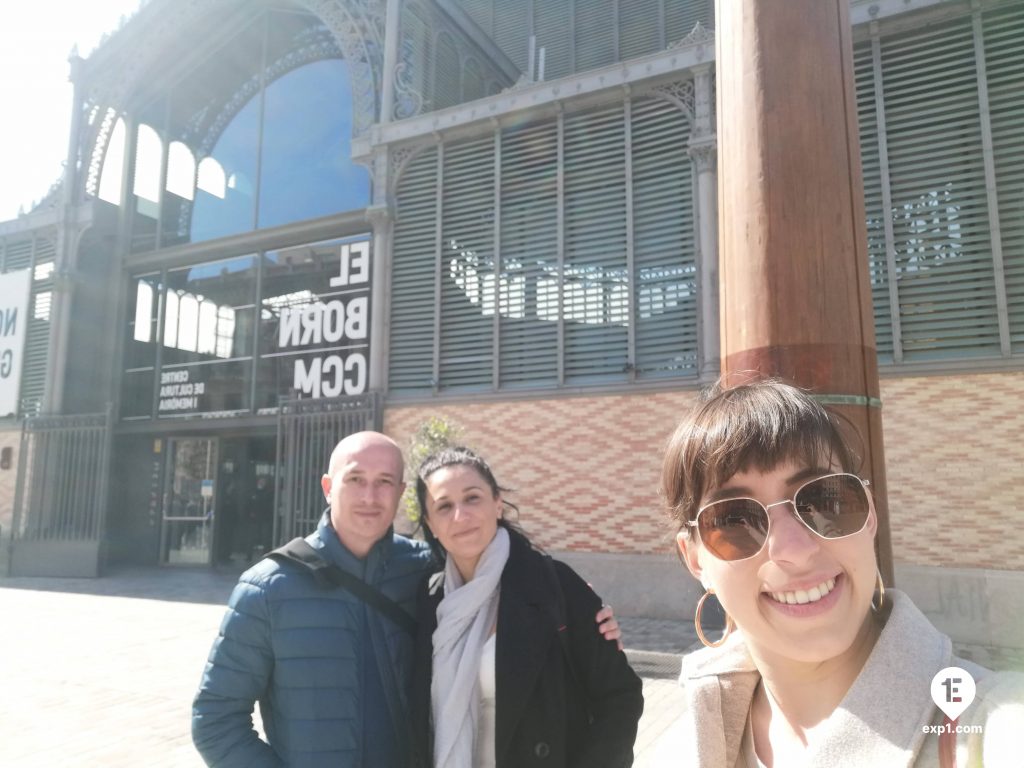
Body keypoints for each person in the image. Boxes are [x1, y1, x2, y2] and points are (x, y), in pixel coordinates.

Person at [192, 431, 621, 768]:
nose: (369, 496)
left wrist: (590, 615)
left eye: (384, 483)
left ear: (400, 493)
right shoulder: (267, 588)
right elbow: (215, 719)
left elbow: (501, 568)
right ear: (327, 487)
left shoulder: (426, 573)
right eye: (355, 479)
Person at [661, 379, 1023, 767]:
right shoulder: (689, 742)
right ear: (696, 560)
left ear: (869, 515)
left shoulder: (991, 725)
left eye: (823, 499)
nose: (795, 551)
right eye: (733, 520)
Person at [411, 446, 644, 768]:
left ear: (497, 504)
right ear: (430, 524)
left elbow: (620, 695)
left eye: (472, 498)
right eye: (444, 506)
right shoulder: (428, 600)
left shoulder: (553, 584)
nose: (460, 516)